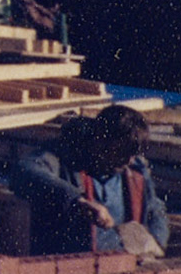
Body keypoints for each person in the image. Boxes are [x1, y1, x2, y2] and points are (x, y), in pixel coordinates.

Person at [11, 104, 169, 255]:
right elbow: (25, 172)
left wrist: (156, 241)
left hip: (122, 268)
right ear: (100, 141)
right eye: (120, 152)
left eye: (132, 154)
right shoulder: (63, 156)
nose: (128, 160)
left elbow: (155, 208)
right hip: (74, 267)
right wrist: (77, 201)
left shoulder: (134, 171)